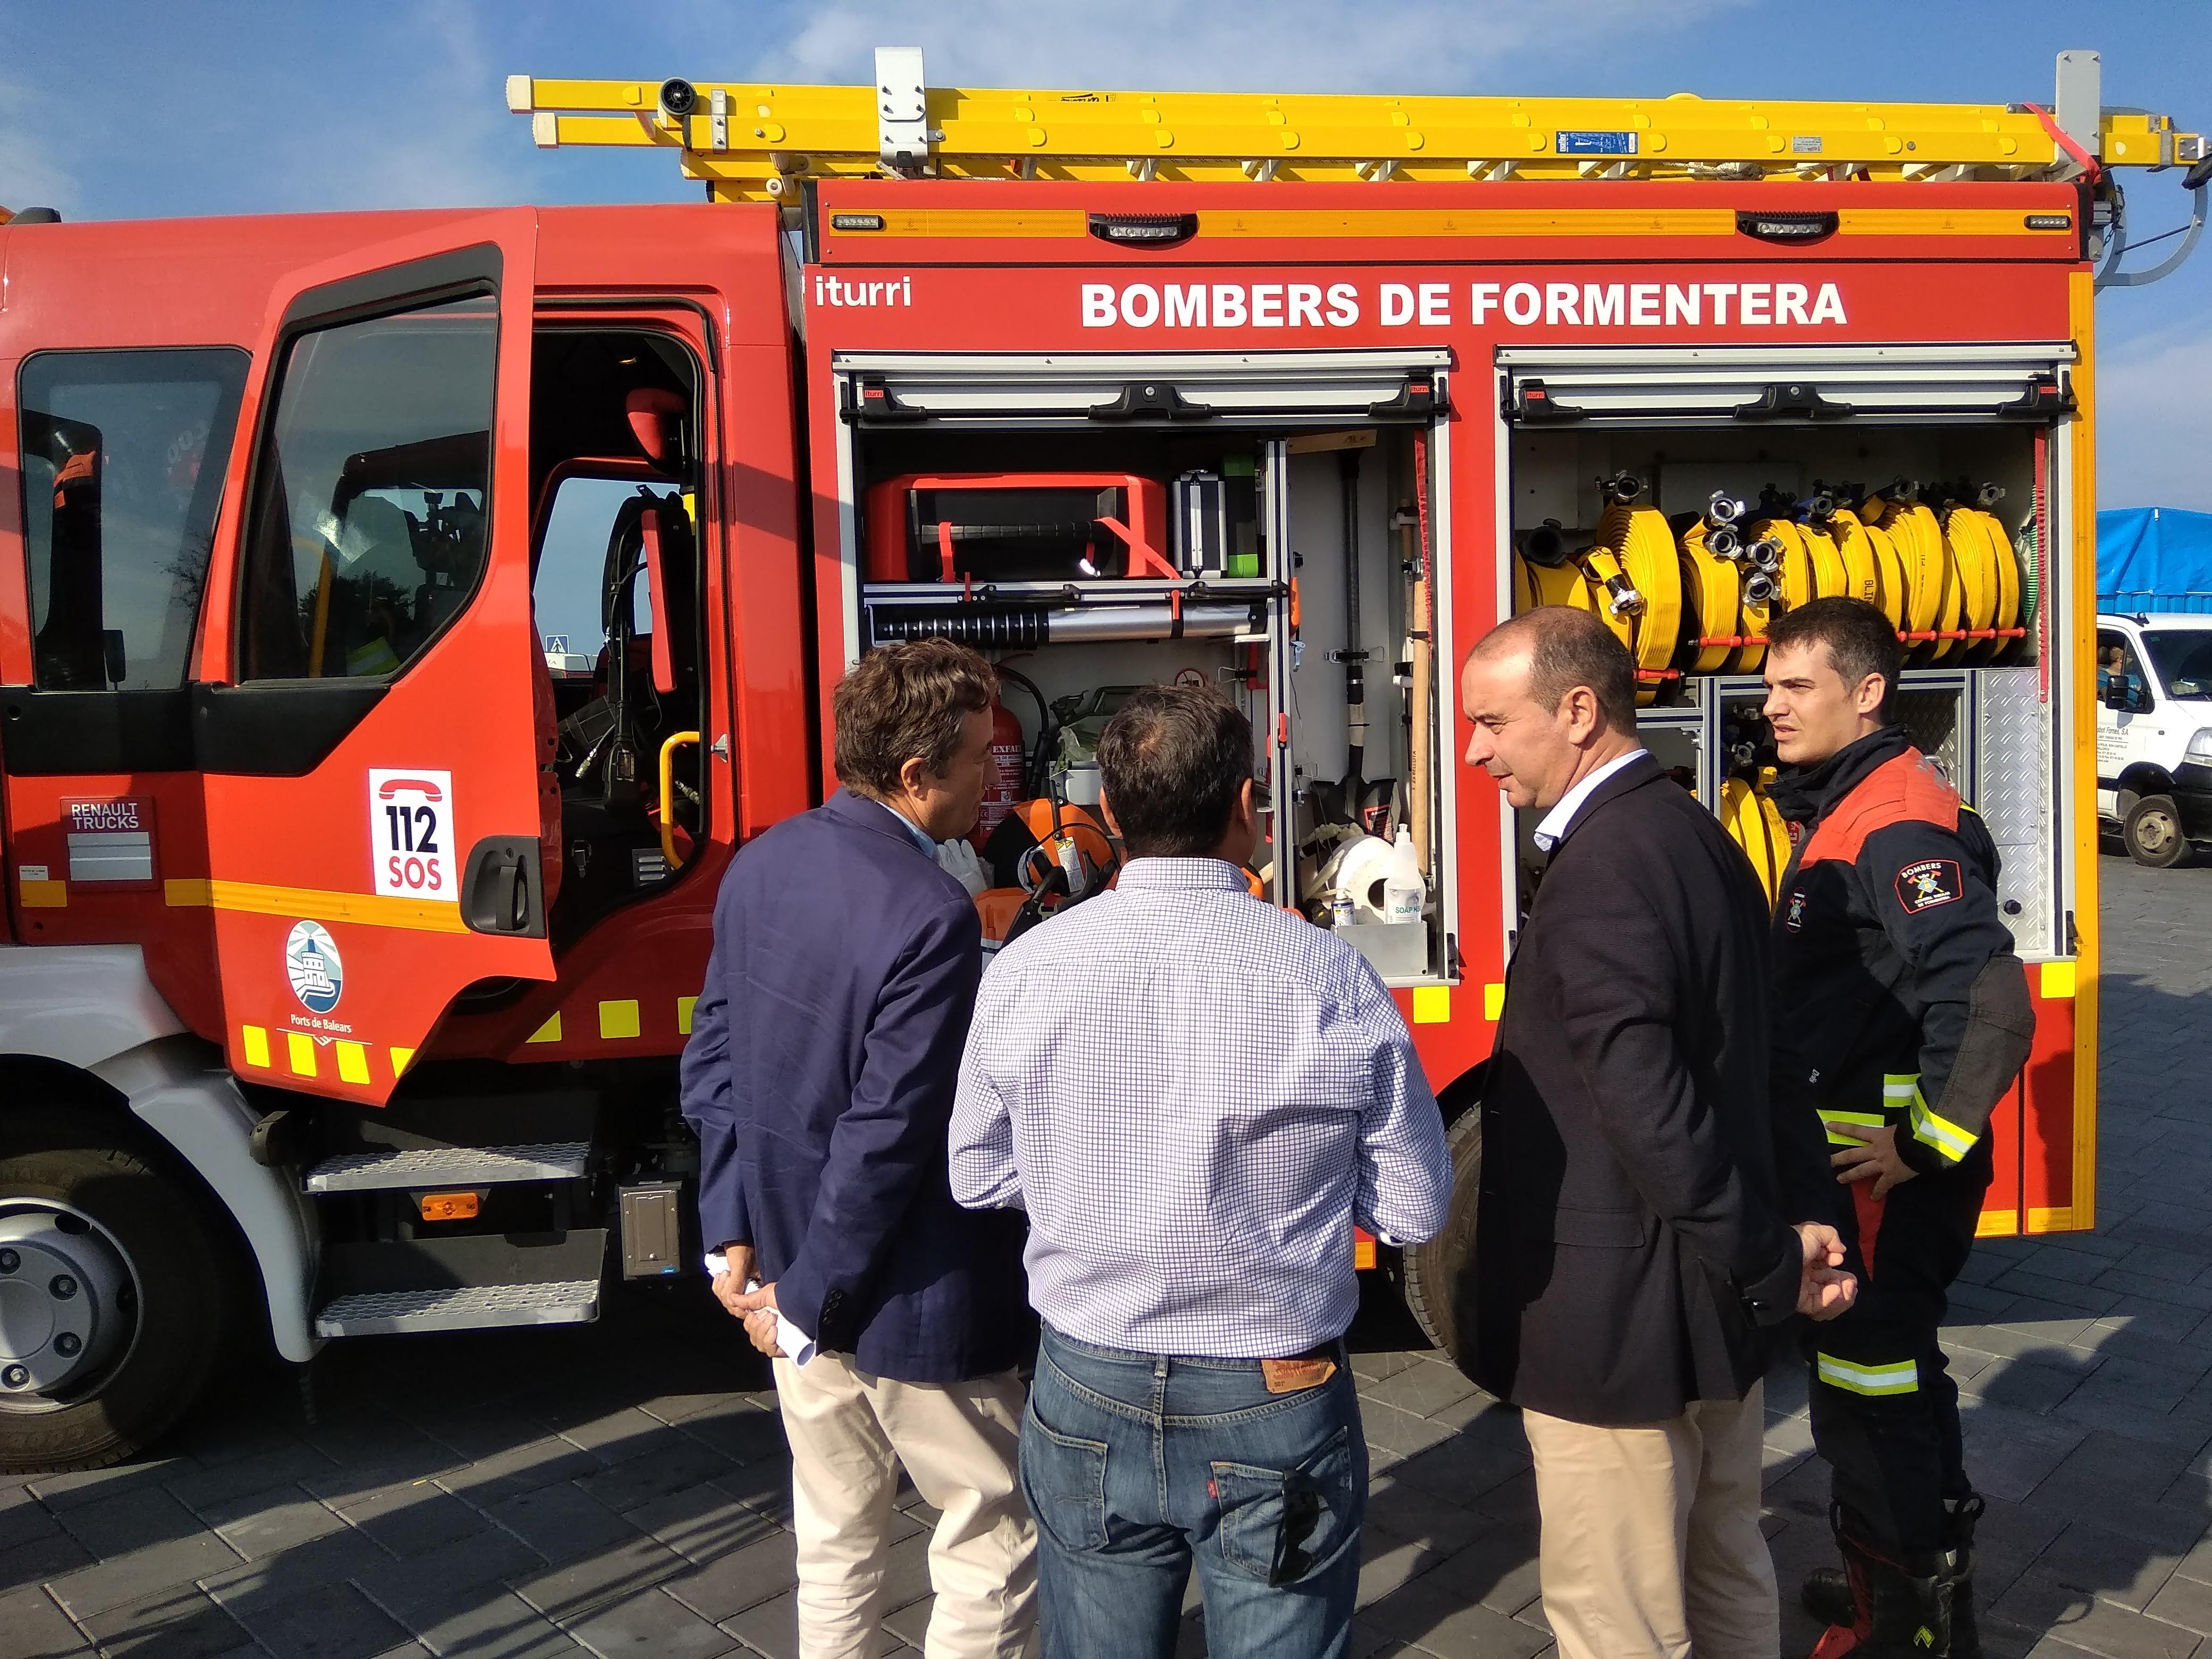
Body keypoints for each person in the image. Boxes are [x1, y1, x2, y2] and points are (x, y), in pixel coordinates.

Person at [949, 683, 1451, 1659]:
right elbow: (1416, 1204)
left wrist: (1083, 1187)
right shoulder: (1326, 973)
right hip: (1274, 1386)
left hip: (1087, 1372)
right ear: (1246, 806)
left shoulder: (1026, 968)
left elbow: (975, 1174)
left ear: (1111, 816)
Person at [1459, 606, 1856, 1659]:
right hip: (1705, 1316)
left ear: (1578, 711)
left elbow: (1646, 1104)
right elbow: (1764, 1058)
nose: (1474, 750)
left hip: (1616, 1330)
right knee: (1725, 1568)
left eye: (1494, 722)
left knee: (1616, 1619)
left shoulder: (1601, 867)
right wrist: (1797, 1221)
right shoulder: (1697, 835)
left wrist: (1769, 1251)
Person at [680, 638, 1037, 1659]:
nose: (992, 775)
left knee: (834, 1535)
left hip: (793, 1274)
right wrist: (806, 1304)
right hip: (904, 1297)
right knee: (993, 1537)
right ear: (918, 774)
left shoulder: (763, 861)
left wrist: (734, 1235)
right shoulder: (930, 912)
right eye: (978, 755)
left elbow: (716, 1064)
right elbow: (887, 1136)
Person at [1761, 598, 2035, 1659]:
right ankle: (1916, 1595)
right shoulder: (1861, 800)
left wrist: (1920, 1145)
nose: (1771, 705)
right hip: (1866, 1182)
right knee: (1892, 1382)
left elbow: (1991, 1001)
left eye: (1797, 687)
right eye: (1771, 684)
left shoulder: (1895, 819)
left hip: (1879, 1189)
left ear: (1867, 691)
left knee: (1869, 1402)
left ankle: (1899, 1631)